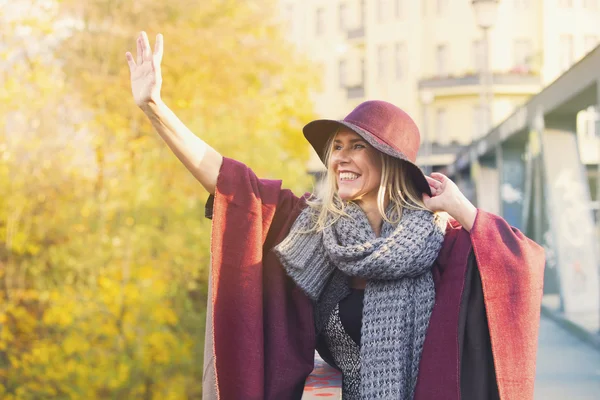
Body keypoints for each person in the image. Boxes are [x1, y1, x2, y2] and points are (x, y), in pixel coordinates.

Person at [126, 32, 545, 400]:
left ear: (391, 163)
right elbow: (234, 187)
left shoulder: (442, 241)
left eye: (357, 146)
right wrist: (156, 109)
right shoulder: (313, 229)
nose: (341, 157)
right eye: (337, 146)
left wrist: (461, 208)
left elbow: (520, 266)